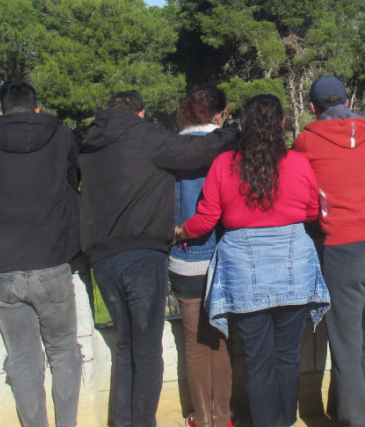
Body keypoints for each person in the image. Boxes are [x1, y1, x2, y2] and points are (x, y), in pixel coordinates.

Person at [78, 90, 237, 427]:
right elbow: (198, 150)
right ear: (141, 113)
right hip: (142, 254)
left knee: (125, 346)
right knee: (147, 350)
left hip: (102, 258)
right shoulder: (145, 136)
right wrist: (231, 132)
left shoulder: (88, 141)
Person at [175, 94, 330, 427]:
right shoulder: (299, 162)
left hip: (244, 268)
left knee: (258, 360)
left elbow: (206, 218)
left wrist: (179, 231)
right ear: (282, 123)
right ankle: (285, 421)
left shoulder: (223, 164)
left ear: (244, 123)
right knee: (288, 357)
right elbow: (311, 210)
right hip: (293, 264)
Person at [0, 79, 82, 427]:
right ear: (36, 108)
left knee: (23, 360)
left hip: (0, 266)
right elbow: (75, 178)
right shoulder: (60, 135)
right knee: (63, 351)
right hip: (51, 261)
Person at [292, 76, 365, 427]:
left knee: (346, 343)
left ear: (314, 107)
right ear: (349, 99)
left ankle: (357, 420)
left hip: (338, 247)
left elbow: (303, 196)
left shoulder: (305, 141)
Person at [169, 85, 234, 427]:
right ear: (219, 114)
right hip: (225, 254)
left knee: (193, 342)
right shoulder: (228, 148)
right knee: (219, 340)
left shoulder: (168, 150)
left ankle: (202, 417)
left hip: (185, 255)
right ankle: (224, 416)